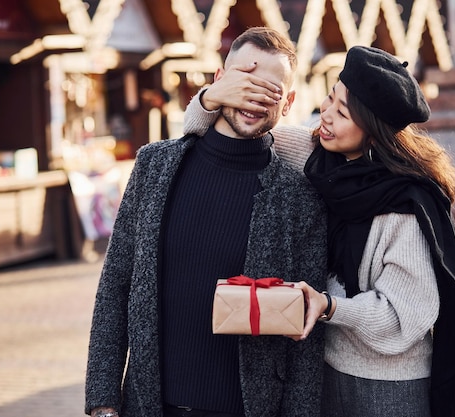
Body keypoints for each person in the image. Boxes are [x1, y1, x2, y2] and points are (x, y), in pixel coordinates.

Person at [183, 45, 455, 417]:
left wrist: (330, 305)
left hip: (390, 385)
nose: (326, 116)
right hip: (328, 373)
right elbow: (212, 133)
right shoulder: (316, 157)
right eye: (330, 100)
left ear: (373, 132)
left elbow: (405, 317)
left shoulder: (404, 207)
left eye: (343, 113)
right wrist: (213, 95)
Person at [85, 27, 328, 417]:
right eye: (245, 81)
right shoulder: (155, 165)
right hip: (150, 404)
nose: (254, 98)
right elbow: (115, 286)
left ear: (289, 104)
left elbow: (306, 337)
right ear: (219, 81)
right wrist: (102, 401)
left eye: (270, 90)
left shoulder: (299, 197)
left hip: (247, 408)